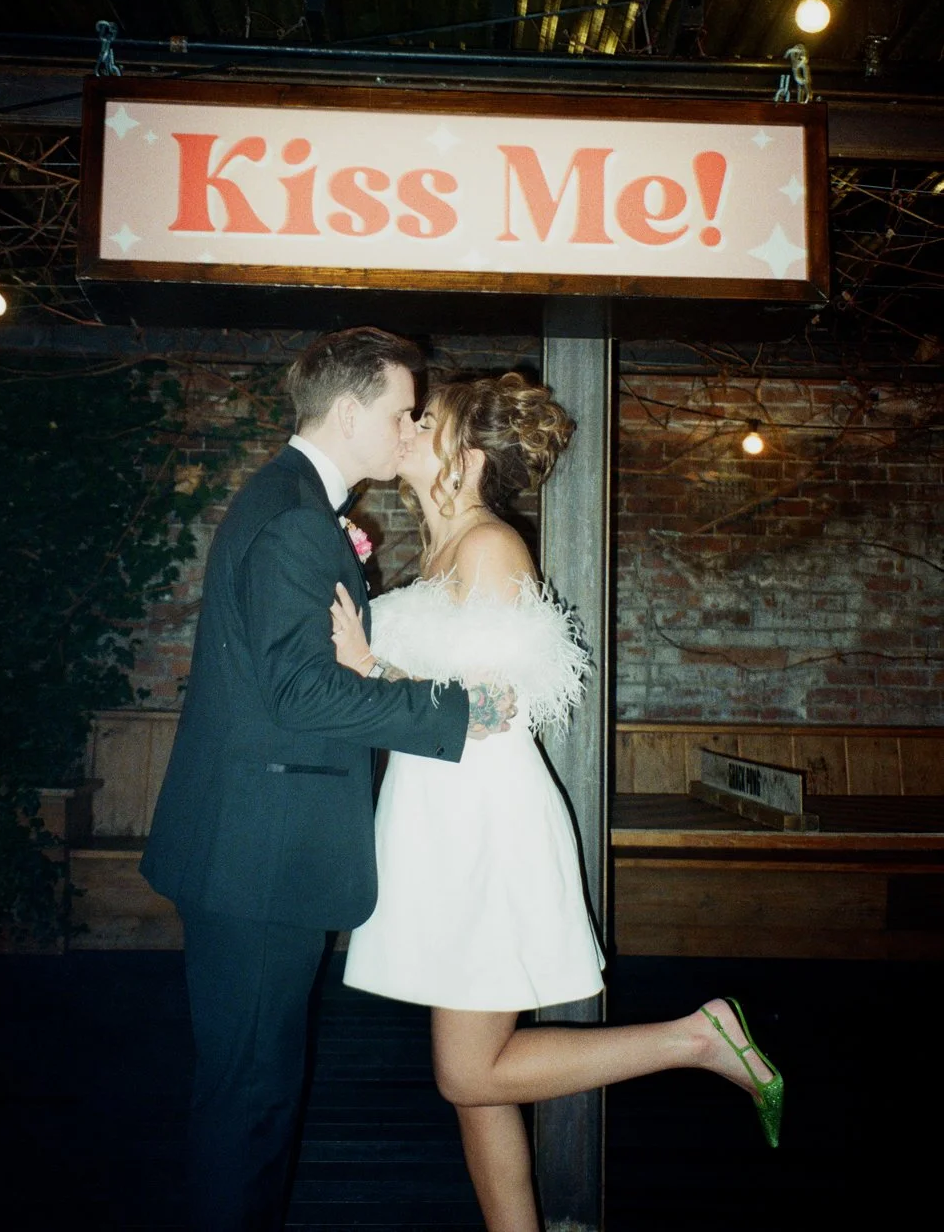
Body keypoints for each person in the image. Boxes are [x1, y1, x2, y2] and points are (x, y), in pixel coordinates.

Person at [329, 371, 785, 1232]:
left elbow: (493, 711)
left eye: (424, 421)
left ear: (461, 458)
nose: (408, 426)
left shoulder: (490, 547)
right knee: (470, 1083)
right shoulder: (436, 549)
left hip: (483, 827)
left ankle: (695, 1038)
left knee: (467, 1075)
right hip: (437, 827)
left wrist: (371, 665)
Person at [139, 327, 516, 1232]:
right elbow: (304, 693)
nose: (409, 426)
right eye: (399, 411)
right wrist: (458, 712)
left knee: (247, 1089)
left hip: (250, 845)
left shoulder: (293, 504)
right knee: (251, 1100)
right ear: (350, 412)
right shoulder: (295, 519)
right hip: (259, 855)